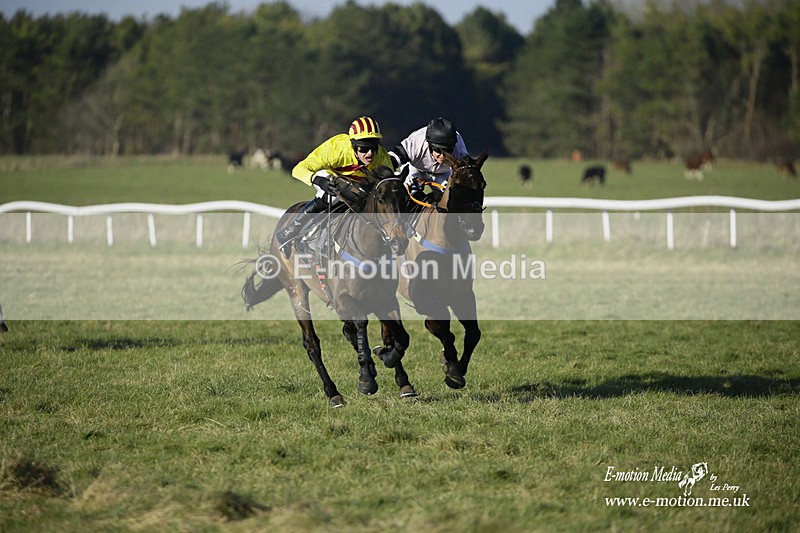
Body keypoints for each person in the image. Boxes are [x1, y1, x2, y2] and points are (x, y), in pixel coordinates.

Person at [275, 116, 394, 257]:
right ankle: (292, 230)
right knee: (333, 195)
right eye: (363, 148)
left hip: (359, 182)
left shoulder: (381, 156)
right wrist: (318, 180)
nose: (369, 154)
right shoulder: (336, 149)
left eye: (373, 148)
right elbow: (299, 169)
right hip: (330, 176)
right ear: (353, 146)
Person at [388, 117, 469, 203]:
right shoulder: (417, 142)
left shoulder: (459, 147)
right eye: (438, 150)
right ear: (429, 144)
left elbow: (467, 174)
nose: (442, 156)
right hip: (415, 169)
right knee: (409, 193)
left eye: (448, 150)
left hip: (443, 173)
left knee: (452, 197)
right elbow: (391, 160)